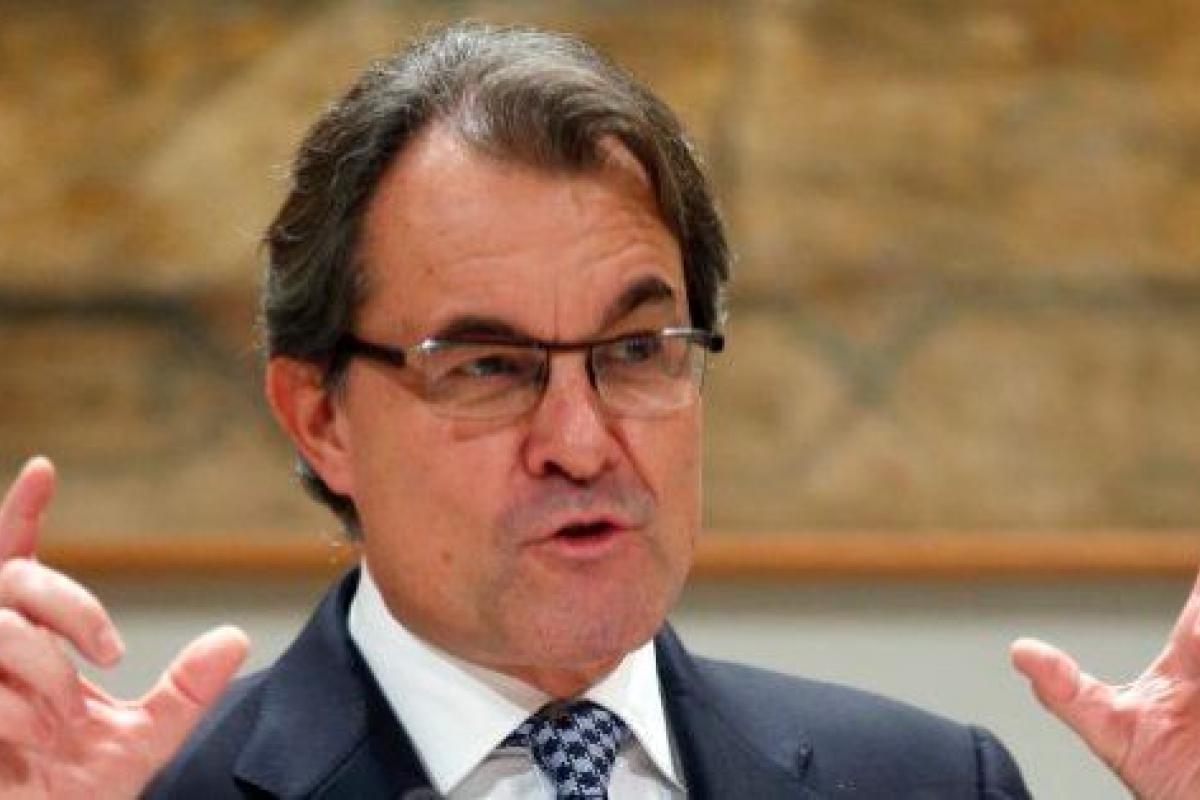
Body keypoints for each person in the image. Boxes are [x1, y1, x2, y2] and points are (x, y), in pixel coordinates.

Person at [1, 21, 1198, 799]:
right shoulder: (142, 793)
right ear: (320, 416)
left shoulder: (930, 781)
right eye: (487, 366)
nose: (580, 442)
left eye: (634, 350)